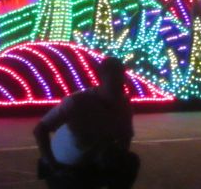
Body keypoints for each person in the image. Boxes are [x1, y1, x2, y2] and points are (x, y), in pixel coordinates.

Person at [33, 56, 139, 189]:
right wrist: (52, 165)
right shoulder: (77, 102)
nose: (118, 87)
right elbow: (40, 129)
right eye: (113, 82)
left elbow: (125, 138)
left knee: (129, 161)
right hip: (64, 167)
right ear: (102, 80)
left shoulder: (123, 104)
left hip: (90, 162)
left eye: (120, 82)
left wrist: (116, 157)